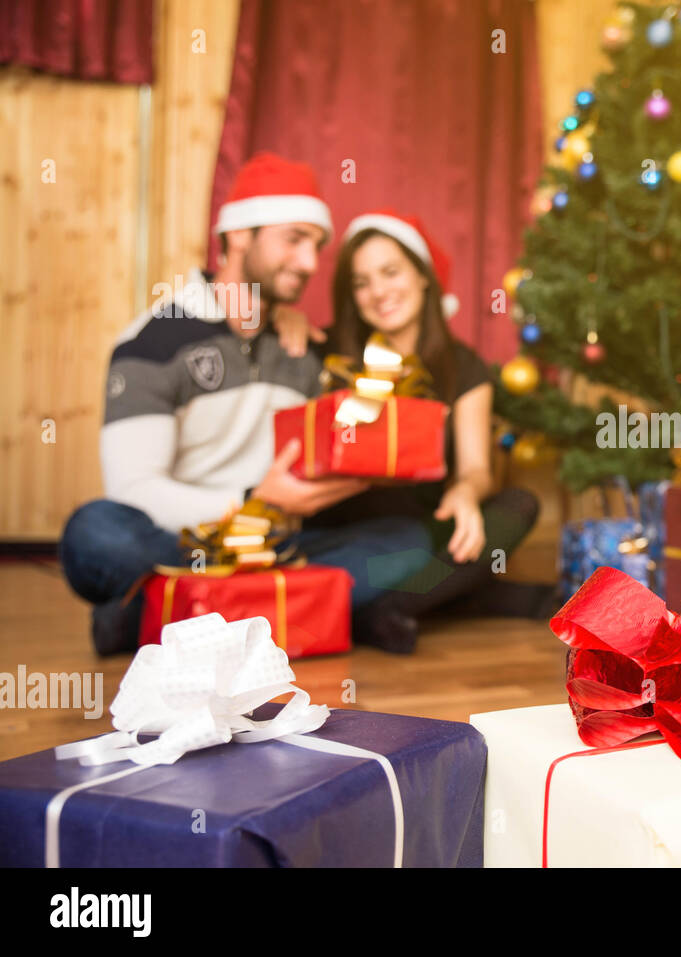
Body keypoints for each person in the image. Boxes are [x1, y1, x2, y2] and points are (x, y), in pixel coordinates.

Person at [59, 153, 434, 655]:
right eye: (294, 239)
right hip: (181, 543)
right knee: (94, 532)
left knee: (410, 541)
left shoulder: (304, 348)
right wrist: (259, 498)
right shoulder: (150, 342)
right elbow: (135, 490)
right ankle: (283, 611)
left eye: (316, 245)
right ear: (238, 235)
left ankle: (159, 616)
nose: (309, 263)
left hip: (274, 549)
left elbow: (359, 424)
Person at [306, 209, 549, 652]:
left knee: (517, 505)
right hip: (351, 541)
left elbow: (477, 468)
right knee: (418, 553)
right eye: (361, 282)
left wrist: (466, 493)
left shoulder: (462, 366)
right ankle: (441, 596)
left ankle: (387, 608)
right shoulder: (329, 354)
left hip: (427, 532)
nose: (378, 291)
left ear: (422, 276)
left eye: (390, 272)